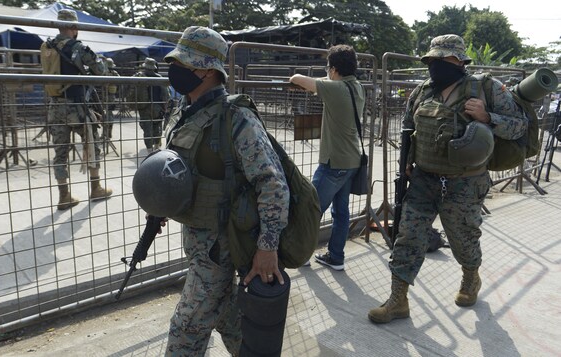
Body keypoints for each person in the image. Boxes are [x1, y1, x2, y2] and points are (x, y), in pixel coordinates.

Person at [368, 34, 528, 323]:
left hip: (465, 183)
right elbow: (407, 130)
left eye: (444, 59)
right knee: (408, 238)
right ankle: (397, 300)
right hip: (423, 179)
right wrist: (406, 162)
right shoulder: (422, 92)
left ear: (460, 61)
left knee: (463, 239)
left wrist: (487, 116)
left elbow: (519, 127)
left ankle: (471, 278)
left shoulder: (486, 89)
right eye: (433, 60)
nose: (437, 65)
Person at [160, 26, 289, 355]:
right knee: (228, 316)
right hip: (197, 238)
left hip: (221, 244)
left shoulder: (235, 117)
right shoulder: (186, 112)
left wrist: (267, 247)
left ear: (204, 70)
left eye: (183, 64)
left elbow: (272, 183)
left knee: (186, 328)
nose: (175, 70)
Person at [289, 45, 365, 271]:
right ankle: (336, 256)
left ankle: (301, 255)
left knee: (309, 209)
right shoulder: (356, 86)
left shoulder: (336, 89)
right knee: (341, 212)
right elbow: (326, 81)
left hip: (333, 164)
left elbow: (298, 78)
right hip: (352, 161)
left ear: (333, 69)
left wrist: (294, 75)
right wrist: (329, 75)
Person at [42, 9, 112, 210]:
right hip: (76, 106)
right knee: (92, 144)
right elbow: (101, 71)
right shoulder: (78, 47)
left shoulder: (47, 46)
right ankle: (95, 187)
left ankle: (64, 196)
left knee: (60, 153)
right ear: (74, 27)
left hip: (55, 106)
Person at [134, 57, 170, 153]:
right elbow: (166, 95)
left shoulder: (139, 77)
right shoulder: (159, 78)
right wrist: (165, 108)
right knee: (157, 127)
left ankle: (149, 151)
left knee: (147, 130)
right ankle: (157, 148)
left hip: (144, 107)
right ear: (154, 67)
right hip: (158, 108)